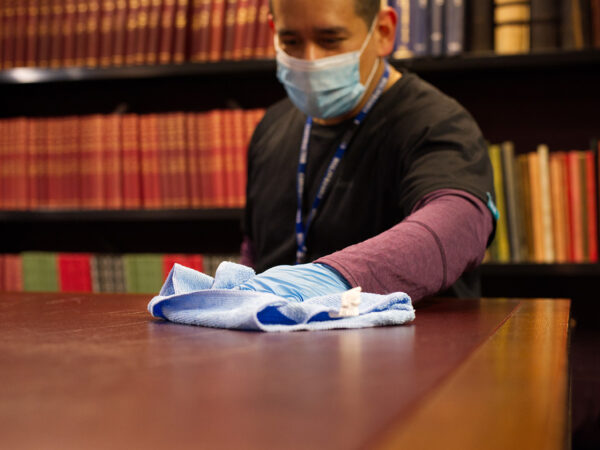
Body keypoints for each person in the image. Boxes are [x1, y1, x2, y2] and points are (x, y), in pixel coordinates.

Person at [237, 0, 497, 303]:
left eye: (330, 40)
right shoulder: (272, 125)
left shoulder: (435, 122)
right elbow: (253, 250)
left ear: (383, 32)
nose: (310, 59)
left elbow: (460, 224)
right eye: (290, 41)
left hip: (410, 347)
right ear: (273, 30)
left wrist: (331, 281)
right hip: (282, 344)